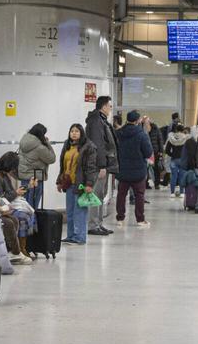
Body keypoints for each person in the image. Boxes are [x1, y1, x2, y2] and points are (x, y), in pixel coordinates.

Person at [0, 152, 37, 263]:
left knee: (29, 214)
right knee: (22, 216)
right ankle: (17, 250)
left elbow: (10, 194)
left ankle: (22, 248)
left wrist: (28, 186)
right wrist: (16, 193)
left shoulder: (3, 175)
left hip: (7, 206)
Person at [59, 123, 99, 245]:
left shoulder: (88, 146)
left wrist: (89, 184)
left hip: (81, 183)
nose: (74, 133)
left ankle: (80, 237)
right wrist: (59, 181)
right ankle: (71, 235)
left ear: (81, 133)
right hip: (68, 183)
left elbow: (91, 167)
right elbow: (63, 165)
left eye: (77, 131)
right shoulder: (67, 145)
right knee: (70, 211)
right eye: (72, 131)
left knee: (80, 211)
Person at [114, 110, 154, 228]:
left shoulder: (119, 133)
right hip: (138, 172)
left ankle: (120, 218)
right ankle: (140, 220)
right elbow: (148, 152)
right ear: (137, 121)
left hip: (122, 170)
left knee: (121, 195)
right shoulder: (142, 134)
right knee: (139, 195)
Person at [84, 96, 118, 236]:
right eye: (110, 106)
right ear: (103, 107)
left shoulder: (101, 121)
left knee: (100, 195)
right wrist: (102, 165)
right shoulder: (97, 122)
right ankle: (93, 225)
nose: (110, 109)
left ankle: (98, 223)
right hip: (98, 166)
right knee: (96, 194)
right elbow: (98, 145)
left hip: (104, 165)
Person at [18, 123, 56, 209]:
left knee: (24, 204)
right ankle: (32, 222)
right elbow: (52, 159)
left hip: (24, 177)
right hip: (35, 179)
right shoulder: (40, 148)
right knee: (32, 206)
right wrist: (47, 143)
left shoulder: (23, 142)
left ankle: (24, 221)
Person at [165, 123, 190, 198]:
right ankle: (182, 192)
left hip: (174, 159)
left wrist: (172, 155)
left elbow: (167, 150)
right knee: (182, 176)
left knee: (173, 176)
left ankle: (172, 193)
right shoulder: (186, 138)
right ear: (183, 130)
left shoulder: (171, 138)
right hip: (183, 159)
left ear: (176, 130)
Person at [146, 119, 165, 190]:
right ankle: (151, 184)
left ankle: (154, 183)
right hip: (151, 152)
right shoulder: (147, 131)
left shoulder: (154, 130)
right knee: (150, 169)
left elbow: (160, 141)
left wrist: (161, 151)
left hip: (153, 152)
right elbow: (160, 141)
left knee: (153, 168)